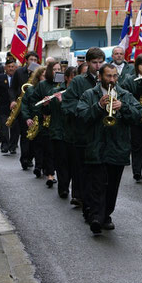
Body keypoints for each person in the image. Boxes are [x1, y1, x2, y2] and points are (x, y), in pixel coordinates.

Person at [77, 63, 141, 234]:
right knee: (97, 184)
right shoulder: (89, 94)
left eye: (114, 76)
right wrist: (98, 107)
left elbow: (138, 115)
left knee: (112, 186)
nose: (112, 80)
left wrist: (124, 107)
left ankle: (105, 215)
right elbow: (81, 116)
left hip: (117, 148)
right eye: (108, 76)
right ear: (100, 77)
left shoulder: (125, 95)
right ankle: (96, 217)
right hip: (96, 147)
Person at [62, 48, 105, 211]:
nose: (98, 66)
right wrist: (84, 112)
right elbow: (68, 103)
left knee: (98, 171)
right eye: (94, 62)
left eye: (100, 62)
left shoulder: (107, 78)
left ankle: (92, 201)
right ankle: (80, 196)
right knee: (81, 168)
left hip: (102, 132)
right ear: (87, 63)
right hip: (82, 132)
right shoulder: (79, 81)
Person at [44, 66, 77, 199]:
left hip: (73, 133)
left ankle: (75, 192)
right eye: (73, 77)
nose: (75, 80)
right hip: (58, 132)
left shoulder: (78, 93)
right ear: (67, 78)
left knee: (73, 163)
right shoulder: (55, 91)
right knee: (61, 161)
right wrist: (46, 105)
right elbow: (47, 113)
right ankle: (63, 188)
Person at [31, 61, 63, 188]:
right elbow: (34, 101)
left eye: (59, 69)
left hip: (60, 121)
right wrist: (42, 106)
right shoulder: (43, 85)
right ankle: (50, 174)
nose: (57, 71)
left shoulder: (62, 84)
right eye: (54, 69)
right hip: (47, 121)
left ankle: (58, 174)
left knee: (59, 152)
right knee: (49, 149)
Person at [121, 54, 142, 182]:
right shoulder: (130, 79)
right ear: (136, 66)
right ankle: (137, 171)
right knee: (137, 145)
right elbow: (126, 93)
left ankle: (141, 169)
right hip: (136, 116)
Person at [10, 51, 39, 170]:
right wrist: (12, 100)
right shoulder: (18, 72)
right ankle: (24, 159)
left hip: (35, 106)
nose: (33, 62)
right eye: (31, 59)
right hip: (22, 106)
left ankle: (30, 157)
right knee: (24, 134)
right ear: (26, 60)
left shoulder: (39, 72)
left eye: (35, 60)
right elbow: (12, 88)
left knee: (34, 134)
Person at [20, 66, 46, 178]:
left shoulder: (51, 88)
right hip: (33, 120)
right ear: (39, 76)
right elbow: (24, 105)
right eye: (43, 75)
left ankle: (41, 167)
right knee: (34, 144)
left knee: (43, 146)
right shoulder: (31, 89)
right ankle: (31, 162)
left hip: (45, 121)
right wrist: (27, 118)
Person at [0, 59, 19, 155]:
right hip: (3, 105)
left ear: (16, 68)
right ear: (5, 68)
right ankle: (5, 145)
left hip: (16, 106)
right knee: (4, 125)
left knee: (15, 127)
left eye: (13, 66)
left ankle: (13, 146)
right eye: (9, 67)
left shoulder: (19, 78)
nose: (11, 68)